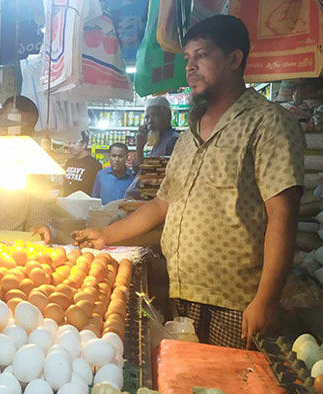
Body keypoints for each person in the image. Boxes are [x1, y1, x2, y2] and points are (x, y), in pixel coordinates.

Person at [74, 15, 303, 349]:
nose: (191, 67)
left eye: (202, 56)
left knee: (227, 382)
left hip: (235, 301)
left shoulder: (268, 124)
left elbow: (283, 217)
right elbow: (162, 203)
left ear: (234, 59)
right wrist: (107, 235)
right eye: (187, 59)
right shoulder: (189, 134)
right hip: (183, 292)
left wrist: (265, 300)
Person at [124, 96, 180, 199]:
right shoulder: (158, 141)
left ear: (168, 117)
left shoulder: (172, 140)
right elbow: (138, 169)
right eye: (147, 117)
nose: (150, 121)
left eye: (155, 115)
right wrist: (140, 147)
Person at [62, 131, 102, 196]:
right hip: (67, 203)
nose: (70, 146)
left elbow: (96, 190)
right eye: (69, 143)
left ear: (83, 145)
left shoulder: (94, 165)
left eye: (74, 143)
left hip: (83, 204)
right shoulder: (69, 162)